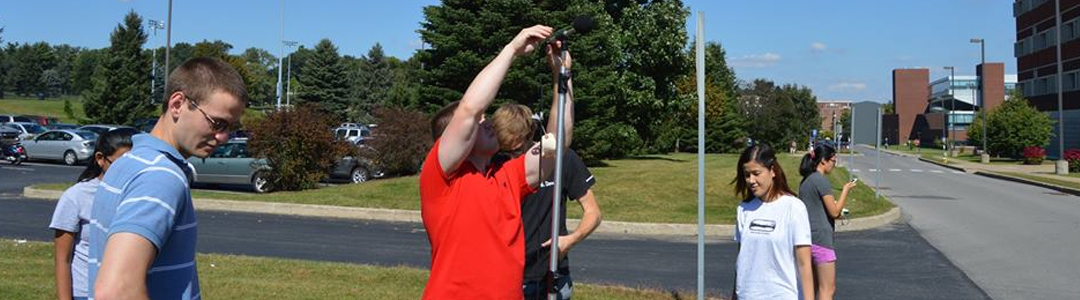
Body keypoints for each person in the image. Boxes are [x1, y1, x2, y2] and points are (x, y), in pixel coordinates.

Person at [419, 25, 560, 299]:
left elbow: (555, 146)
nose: (488, 124)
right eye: (480, 123)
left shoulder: (505, 174)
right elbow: (471, 109)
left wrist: (561, 79)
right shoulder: (440, 178)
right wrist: (512, 50)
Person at [88, 57, 247, 300]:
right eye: (217, 123)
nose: (223, 137)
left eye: (230, 127)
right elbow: (116, 290)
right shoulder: (160, 177)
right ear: (177, 104)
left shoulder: (128, 162)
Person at [491, 41, 602, 300]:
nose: (513, 158)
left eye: (517, 150)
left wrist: (570, 240)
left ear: (530, 134)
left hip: (552, 277)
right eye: (505, 150)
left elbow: (594, 213)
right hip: (504, 277)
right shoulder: (491, 164)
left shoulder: (561, 160)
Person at [49, 129, 136, 300]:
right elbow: (62, 260)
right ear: (100, 159)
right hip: (86, 293)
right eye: (121, 164)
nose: (128, 171)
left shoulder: (140, 195)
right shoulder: (76, 196)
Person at [731, 144, 814, 300]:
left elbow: (805, 265)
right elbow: (742, 259)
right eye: (747, 175)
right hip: (747, 295)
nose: (751, 180)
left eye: (756, 173)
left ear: (773, 171)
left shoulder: (794, 207)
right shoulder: (744, 209)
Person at [798, 144, 857, 300]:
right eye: (833, 160)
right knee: (828, 289)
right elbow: (835, 212)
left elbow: (816, 207)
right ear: (823, 160)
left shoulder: (806, 180)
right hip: (821, 241)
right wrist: (846, 190)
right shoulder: (820, 180)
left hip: (807, 239)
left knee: (813, 289)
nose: (834, 164)